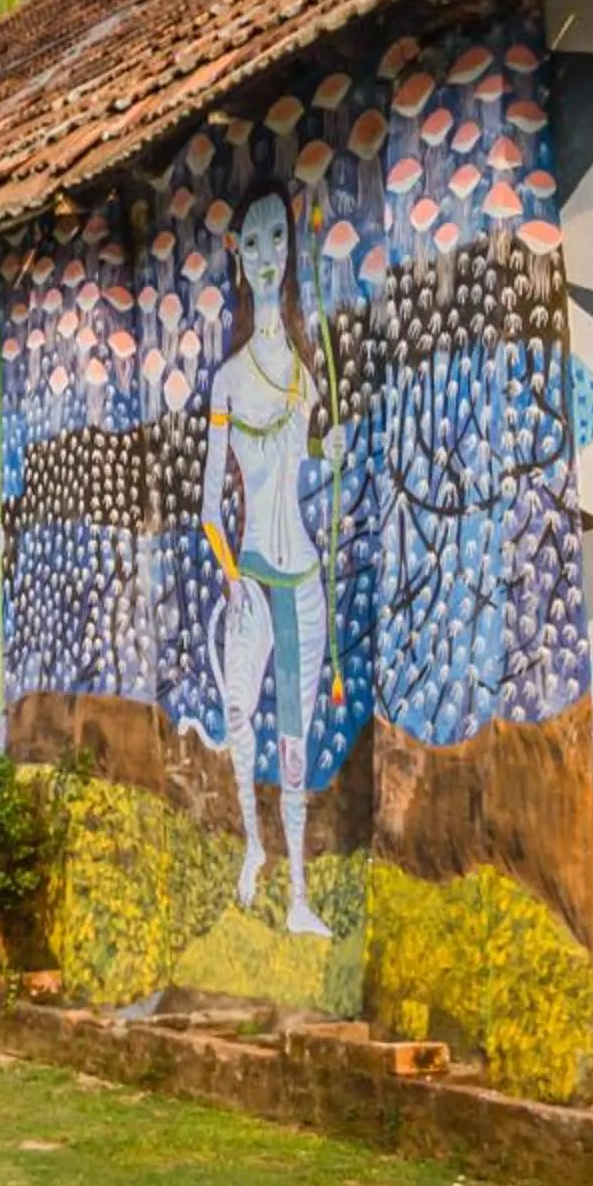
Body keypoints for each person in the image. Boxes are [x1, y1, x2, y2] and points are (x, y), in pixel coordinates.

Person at [198, 190, 336, 937]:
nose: (264, 253)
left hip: (303, 580)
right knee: (238, 718)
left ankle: (300, 898)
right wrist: (232, 577)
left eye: (275, 237)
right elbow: (209, 509)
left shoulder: (308, 371)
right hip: (251, 574)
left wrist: (326, 449)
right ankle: (252, 849)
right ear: (237, 256)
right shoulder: (227, 381)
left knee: (294, 741)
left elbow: (303, 454)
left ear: (287, 248)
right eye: (251, 242)